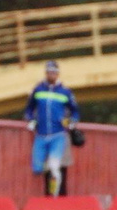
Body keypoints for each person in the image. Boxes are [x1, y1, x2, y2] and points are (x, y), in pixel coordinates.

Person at [25, 60, 80, 197]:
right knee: (38, 168)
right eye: (49, 72)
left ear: (58, 73)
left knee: (55, 167)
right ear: (46, 73)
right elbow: (29, 109)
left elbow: (75, 111)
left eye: (54, 72)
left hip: (59, 134)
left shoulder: (65, 92)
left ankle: (54, 195)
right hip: (41, 134)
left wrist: (72, 123)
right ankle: (51, 192)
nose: (52, 75)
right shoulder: (38, 90)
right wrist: (31, 120)